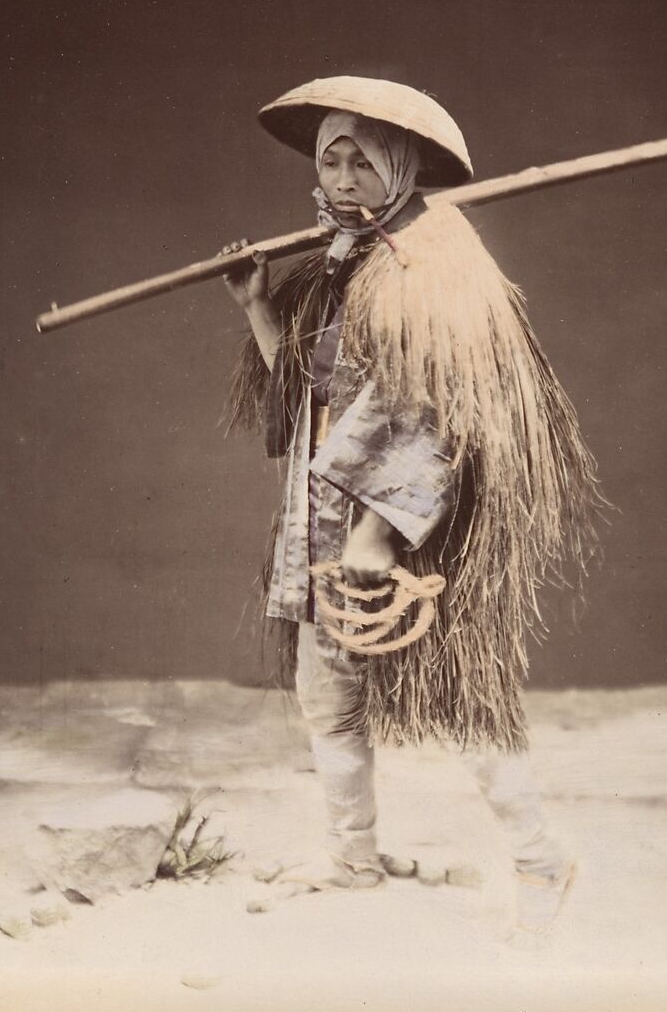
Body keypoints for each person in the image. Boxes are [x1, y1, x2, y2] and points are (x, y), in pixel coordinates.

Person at [221, 76, 602, 941]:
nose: (346, 175)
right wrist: (255, 306)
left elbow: (437, 415)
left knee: (463, 705)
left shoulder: (433, 262)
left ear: (402, 164)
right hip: (321, 512)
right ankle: (351, 855)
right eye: (331, 157)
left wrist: (376, 533)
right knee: (328, 695)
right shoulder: (336, 258)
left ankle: (542, 858)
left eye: (364, 158)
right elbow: (302, 399)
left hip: (409, 530)